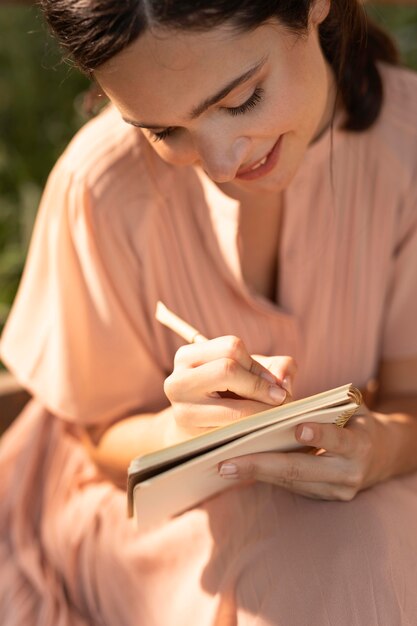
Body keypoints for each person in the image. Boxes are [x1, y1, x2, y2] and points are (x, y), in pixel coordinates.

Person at [1, 0, 417, 624]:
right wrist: (180, 432)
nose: (222, 164)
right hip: (145, 515)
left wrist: (380, 449)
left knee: (361, 565)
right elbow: (97, 441)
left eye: (242, 99)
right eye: (165, 131)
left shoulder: (405, 149)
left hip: (357, 497)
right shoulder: (104, 187)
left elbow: (410, 397)